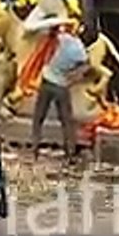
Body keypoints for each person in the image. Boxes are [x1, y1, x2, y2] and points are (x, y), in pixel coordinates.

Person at [30, 19, 89, 159]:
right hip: (62, 85)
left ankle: (34, 148)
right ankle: (70, 152)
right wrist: (73, 78)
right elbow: (86, 66)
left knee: (39, 117)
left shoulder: (63, 38)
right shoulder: (79, 48)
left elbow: (50, 32)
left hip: (47, 80)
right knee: (67, 120)